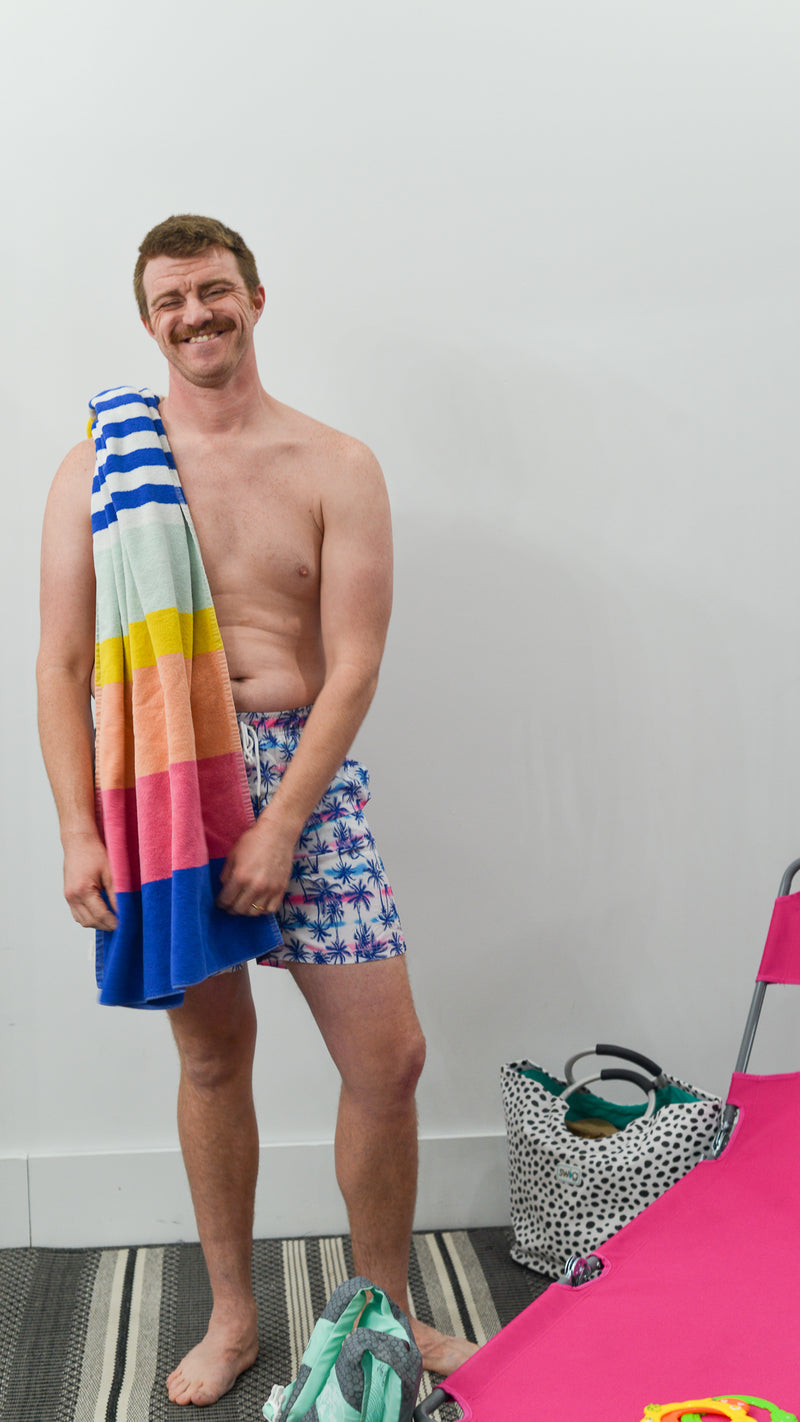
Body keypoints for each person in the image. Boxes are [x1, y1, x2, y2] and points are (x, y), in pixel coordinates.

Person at [36, 215, 476, 1407]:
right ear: (148, 321)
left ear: (256, 298)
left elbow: (355, 664)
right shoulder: (99, 469)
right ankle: (232, 1315)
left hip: (302, 776)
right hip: (164, 778)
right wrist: (78, 830)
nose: (196, 315)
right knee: (212, 1055)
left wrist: (281, 823)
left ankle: (383, 1310)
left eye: (214, 290)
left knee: (388, 1059)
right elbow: (60, 665)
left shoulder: (336, 464)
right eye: (171, 300)